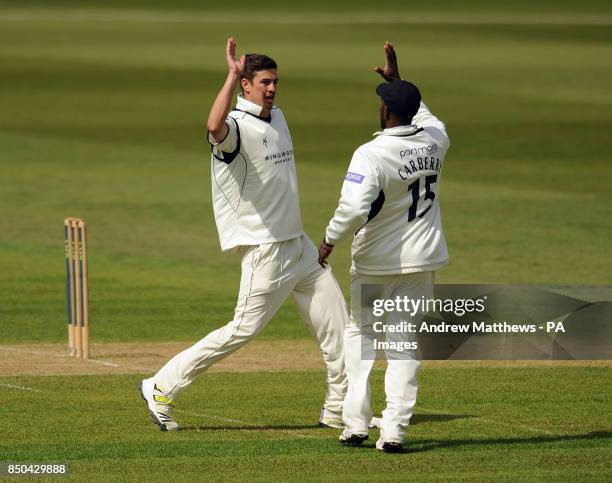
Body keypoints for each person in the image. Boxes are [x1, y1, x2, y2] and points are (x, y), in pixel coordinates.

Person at [139, 37, 348, 431]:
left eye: (275, 82)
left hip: (298, 246)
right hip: (265, 250)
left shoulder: (278, 118)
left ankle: (340, 409)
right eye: (264, 82)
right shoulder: (237, 127)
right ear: (245, 86)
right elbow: (213, 126)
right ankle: (160, 385)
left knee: (337, 324)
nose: (271, 89)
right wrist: (229, 74)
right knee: (240, 331)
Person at [318, 42, 450, 452]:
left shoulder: (370, 153)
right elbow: (428, 117)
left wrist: (327, 240)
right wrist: (401, 82)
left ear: (385, 112)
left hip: (376, 262)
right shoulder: (435, 141)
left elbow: (353, 206)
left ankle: (356, 425)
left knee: (362, 338)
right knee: (404, 343)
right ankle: (393, 429)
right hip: (421, 260)